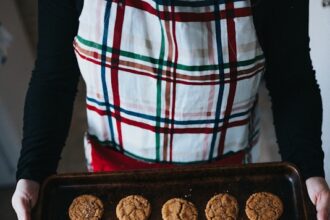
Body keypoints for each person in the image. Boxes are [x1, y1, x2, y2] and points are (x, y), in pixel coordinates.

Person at [12, 0, 330, 219]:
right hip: (111, 177)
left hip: (229, 174)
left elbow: (292, 79)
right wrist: (34, 171)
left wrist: (308, 169)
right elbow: (54, 77)